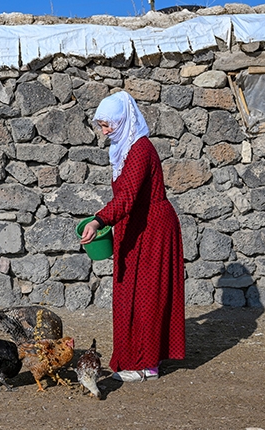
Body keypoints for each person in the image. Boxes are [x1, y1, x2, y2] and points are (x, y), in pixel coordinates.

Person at [79, 90, 185, 382]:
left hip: (153, 229)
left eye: (108, 124)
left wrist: (99, 220)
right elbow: (125, 200)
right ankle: (130, 358)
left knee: (147, 297)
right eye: (101, 125)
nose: (103, 131)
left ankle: (147, 364)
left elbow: (127, 197)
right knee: (130, 294)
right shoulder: (123, 150)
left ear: (124, 120)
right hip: (134, 228)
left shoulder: (140, 149)